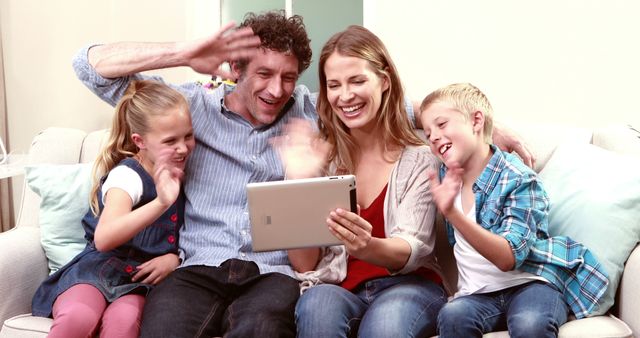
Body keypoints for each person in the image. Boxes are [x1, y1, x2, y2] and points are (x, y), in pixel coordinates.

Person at [73, 9, 533, 337]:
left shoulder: (316, 110)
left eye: (289, 76)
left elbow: (382, 101)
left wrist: (490, 127)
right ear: (235, 70)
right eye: (264, 74)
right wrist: (183, 52)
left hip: (276, 274)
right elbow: (89, 68)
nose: (277, 90)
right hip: (199, 265)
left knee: (264, 327)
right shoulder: (189, 109)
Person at [278, 25, 447, 338]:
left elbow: (412, 250)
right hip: (339, 288)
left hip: (409, 287)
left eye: (357, 81)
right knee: (315, 307)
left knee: (385, 326)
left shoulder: (419, 158)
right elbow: (305, 265)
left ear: (383, 82)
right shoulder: (320, 159)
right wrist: (300, 183)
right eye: (334, 85)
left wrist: (368, 247)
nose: (346, 96)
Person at [419, 83, 609, 338]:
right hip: (477, 294)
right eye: (429, 132)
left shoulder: (519, 180)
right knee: (452, 316)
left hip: (530, 285)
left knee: (530, 323)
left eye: (441, 125)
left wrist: (453, 215)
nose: (433, 137)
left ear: (476, 120)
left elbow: (508, 258)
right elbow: (395, 109)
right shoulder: (444, 175)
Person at [31, 80, 194, 338]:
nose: (183, 147)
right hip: (97, 272)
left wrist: (176, 258)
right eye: (170, 141)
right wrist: (160, 202)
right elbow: (105, 238)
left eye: (188, 135)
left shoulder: (185, 174)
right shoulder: (127, 177)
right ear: (140, 141)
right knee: (79, 317)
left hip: (139, 283)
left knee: (124, 322)